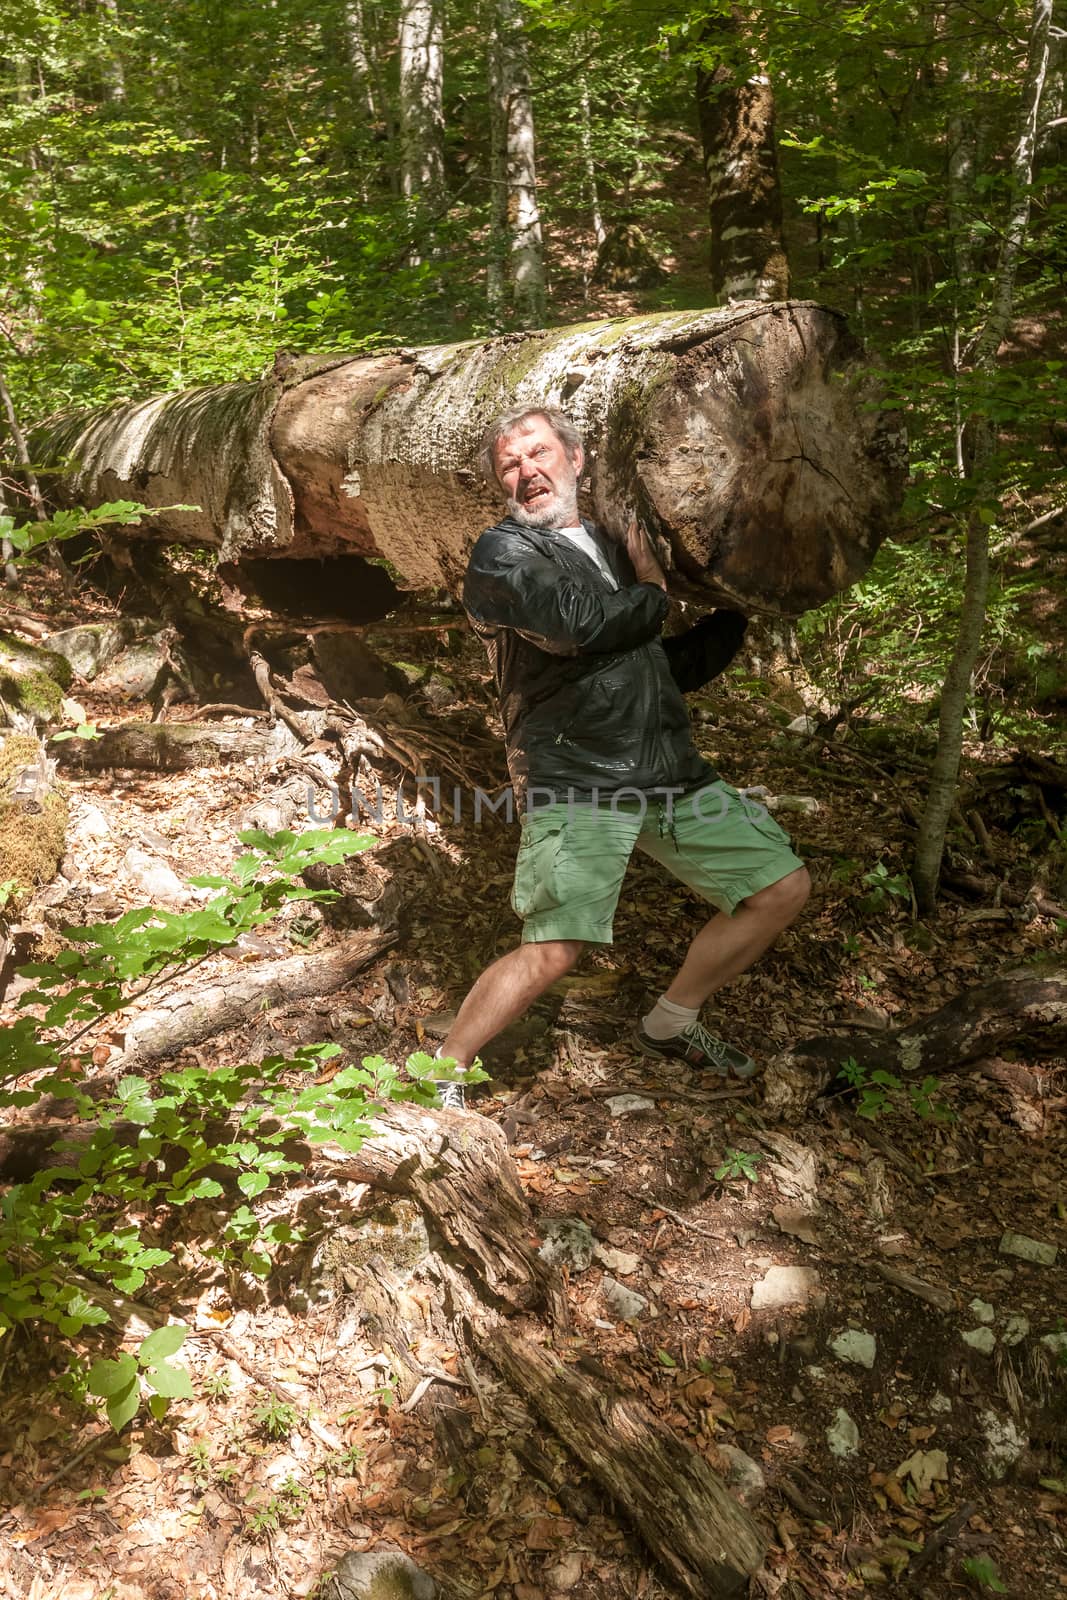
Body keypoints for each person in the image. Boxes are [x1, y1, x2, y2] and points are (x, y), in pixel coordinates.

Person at [433, 405, 810, 1108]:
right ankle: (442, 1069)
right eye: (510, 465)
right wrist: (654, 588)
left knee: (777, 888)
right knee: (556, 944)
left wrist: (738, 609)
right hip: (576, 775)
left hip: (665, 768)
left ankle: (671, 1022)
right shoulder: (503, 554)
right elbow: (582, 628)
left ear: (575, 459)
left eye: (539, 454)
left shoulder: (610, 546)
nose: (527, 473)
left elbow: (651, 664)